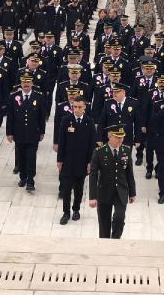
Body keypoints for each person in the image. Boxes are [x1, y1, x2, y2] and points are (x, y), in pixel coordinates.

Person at [89, 124, 136, 239]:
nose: (120, 140)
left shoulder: (126, 150)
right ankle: (105, 246)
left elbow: (129, 173)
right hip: (104, 192)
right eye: (117, 137)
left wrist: (132, 193)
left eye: (122, 137)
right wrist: (92, 196)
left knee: (119, 218)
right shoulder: (99, 152)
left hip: (121, 192)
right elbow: (93, 175)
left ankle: (115, 240)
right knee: (104, 225)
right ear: (109, 136)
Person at [57, 96, 96, 225]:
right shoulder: (66, 120)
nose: (77, 110)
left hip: (82, 161)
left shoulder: (89, 122)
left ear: (84, 107)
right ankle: (66, 212)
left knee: (79, 189)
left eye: (80, 107)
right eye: (75, 107)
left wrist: (90, 162)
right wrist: (60, 160)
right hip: (68, 161)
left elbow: (91, 144)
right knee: (66, 189)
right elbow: (61, 141)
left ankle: (76, 210)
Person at [6, 72, 46, 192]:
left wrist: (42, 132)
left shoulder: (38, 96)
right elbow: (10, 116)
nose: (26, 84)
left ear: (32, 83)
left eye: (28, 82)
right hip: (19, 134)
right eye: (24, 82)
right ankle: (22, 177)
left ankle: (30, 181)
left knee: (31, 158)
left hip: (33, 134)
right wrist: (9, 133)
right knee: (21, 157)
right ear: (21, 83)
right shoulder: (14, 96)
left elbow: (41, 116)